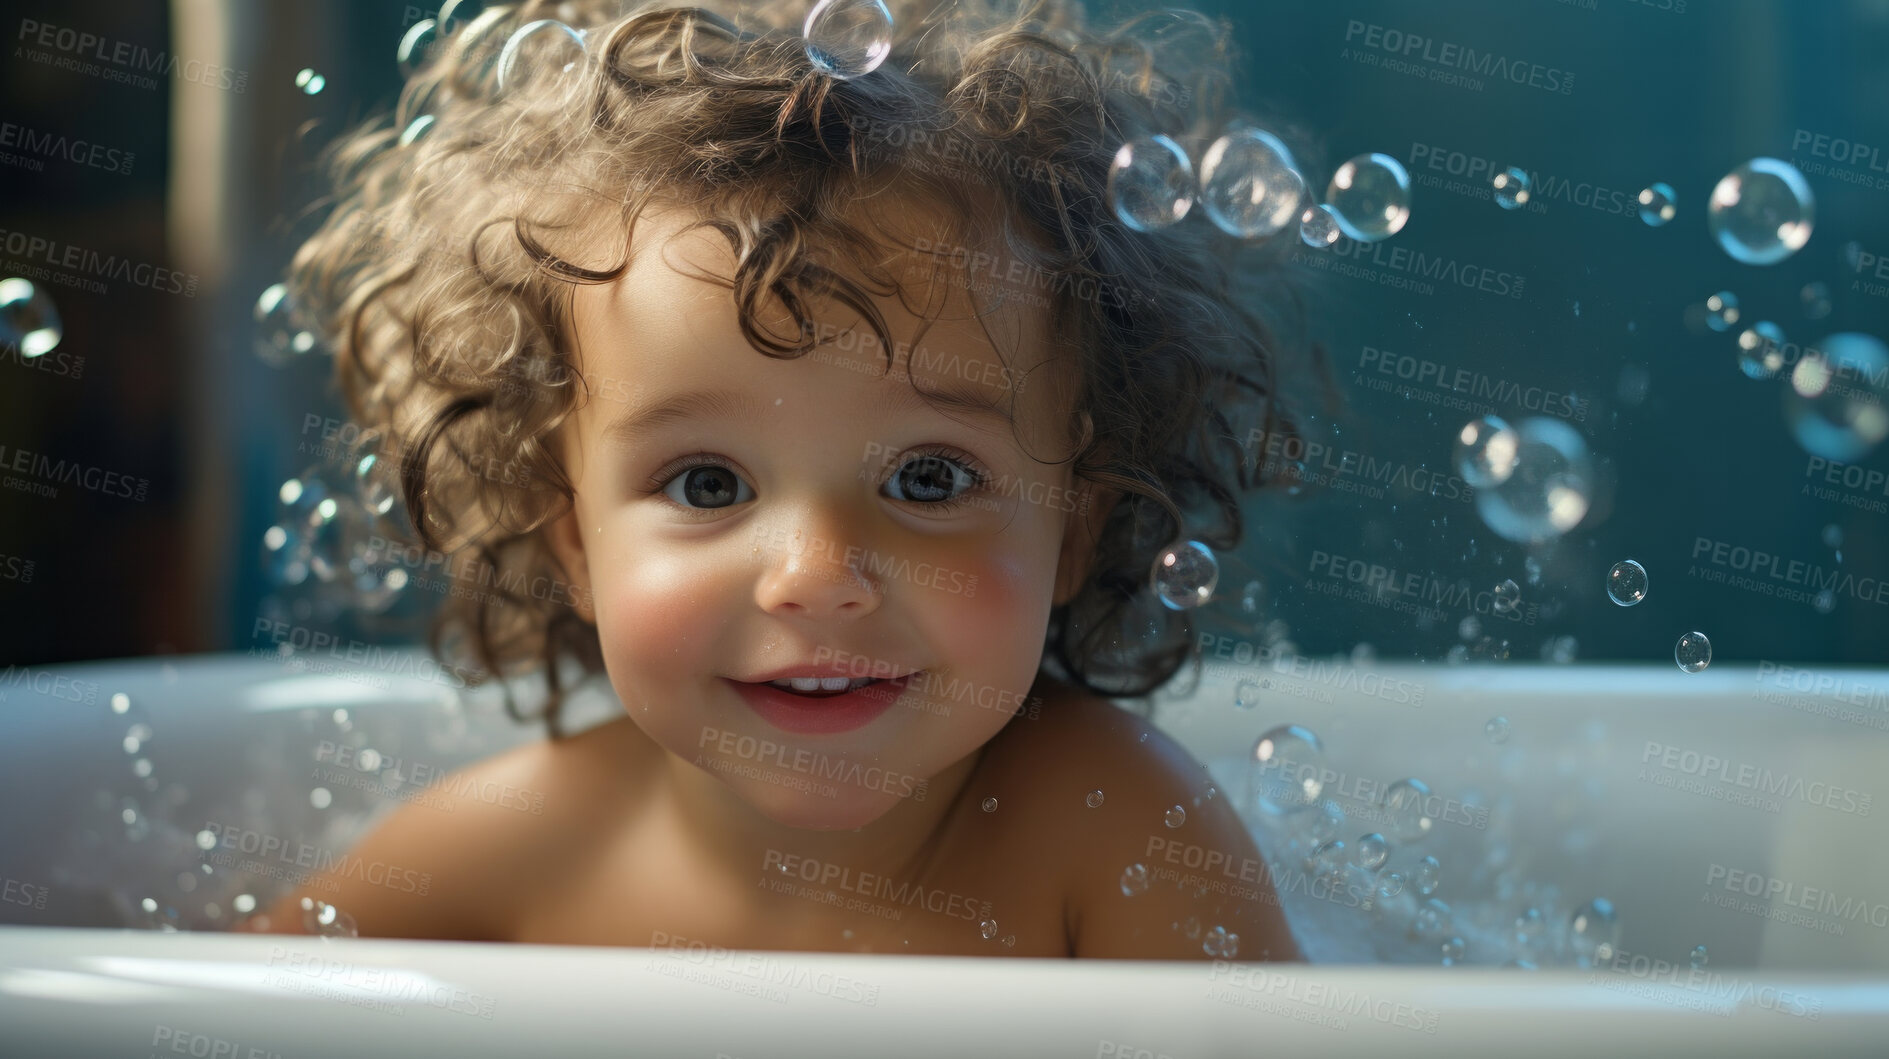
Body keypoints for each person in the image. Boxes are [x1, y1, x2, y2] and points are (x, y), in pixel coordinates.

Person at [248, 0, 1313, 960]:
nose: (815, 577)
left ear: (1077, 526)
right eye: (707, 485)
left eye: (930, 478)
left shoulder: (1114, 832)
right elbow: (205, 1011)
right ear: (571, 541)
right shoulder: (511, 846)